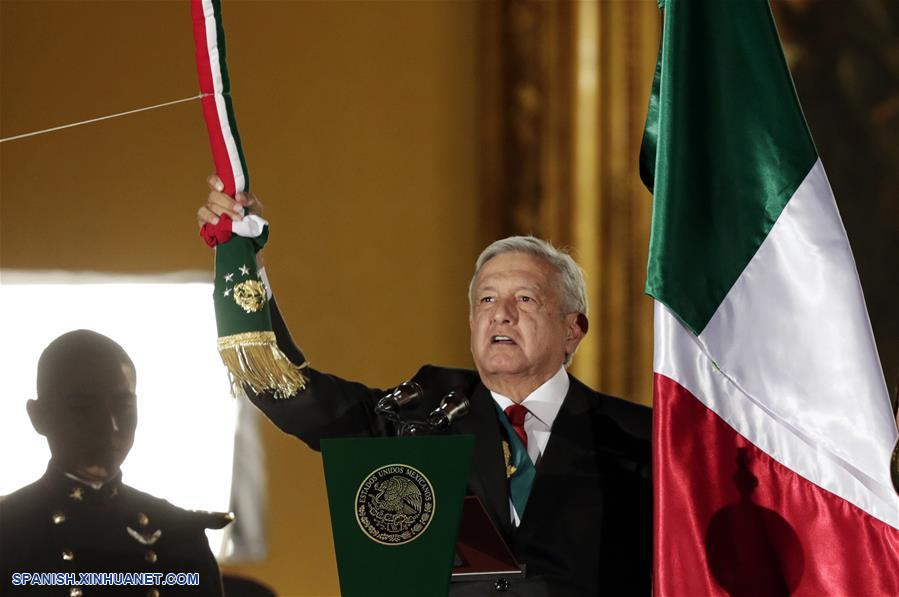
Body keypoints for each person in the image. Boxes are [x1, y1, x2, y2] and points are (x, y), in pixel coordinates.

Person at [198, 176, 652, 596]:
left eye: (526, 299)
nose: (501, 313)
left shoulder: (640, 437)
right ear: (472, 321)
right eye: (487, 299)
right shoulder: (416, 413)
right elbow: (295, 395)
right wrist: (242, 257)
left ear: (572, 329)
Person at [0, 330, 231, 596]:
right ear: (38, 417)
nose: (110, 425)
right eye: (83, 408)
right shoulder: (9, 531)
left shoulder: (177, 533)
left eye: (123, 406)